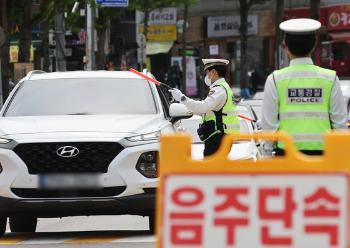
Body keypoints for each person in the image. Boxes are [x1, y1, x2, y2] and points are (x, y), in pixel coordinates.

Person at [262, 18, 347, 156]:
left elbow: (269, 126)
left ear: (286, 46)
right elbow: (340, 125)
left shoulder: (275, 79)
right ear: (314, 45)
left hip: (287, 157)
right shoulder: (330, 78)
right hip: (323, 158)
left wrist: (266, 154)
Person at [169, 59, 240, 157]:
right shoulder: (224, 87)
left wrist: (182, 98)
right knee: (215, 169)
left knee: (211, 170)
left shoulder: (219, 89)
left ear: (214, 72)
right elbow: (209, 112)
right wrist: (188, 108)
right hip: (221, 135)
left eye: (207, 72)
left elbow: (203, 107)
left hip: (218, 136)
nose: (207, 76)